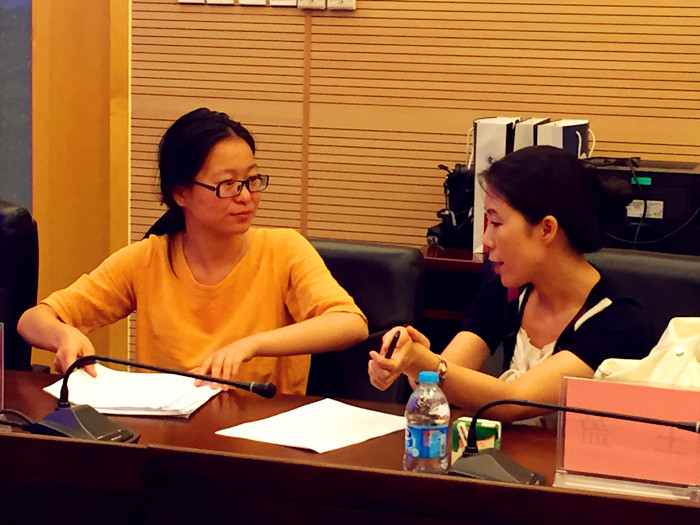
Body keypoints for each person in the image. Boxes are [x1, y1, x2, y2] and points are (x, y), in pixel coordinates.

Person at [18, 107, 368, 395]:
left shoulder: (284, 250)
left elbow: (350, 324)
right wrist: (65, 335)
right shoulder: (148, 259)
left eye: (251, 180)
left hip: (263, 436)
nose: (246, 196)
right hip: (169, 435)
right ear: (181, 193)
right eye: (228, 185)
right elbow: (32, 320)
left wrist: (252, 345)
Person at [368, 145, 654, 422]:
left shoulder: (618, 321)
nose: (486, 241)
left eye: (496, 223)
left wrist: (425, 363)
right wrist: (409, 361)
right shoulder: (508, 291)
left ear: (546, 229)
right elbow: (447, 375)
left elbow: (514, 402)